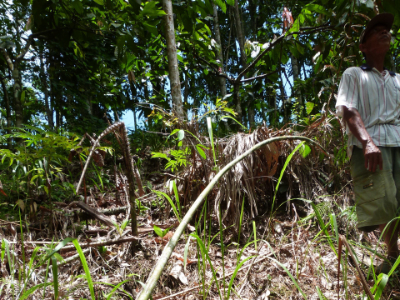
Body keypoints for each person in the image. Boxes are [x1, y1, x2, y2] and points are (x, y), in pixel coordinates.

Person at [336, 13, 400, 274]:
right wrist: (367, 142)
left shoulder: (397, 80)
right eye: (376, 31)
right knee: (384, 202)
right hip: (372, 144)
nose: (384, 32)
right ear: (363, 46)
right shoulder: (354, 74)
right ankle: (393, 255)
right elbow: (348, 108)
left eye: (386, 30)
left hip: (398, 141)